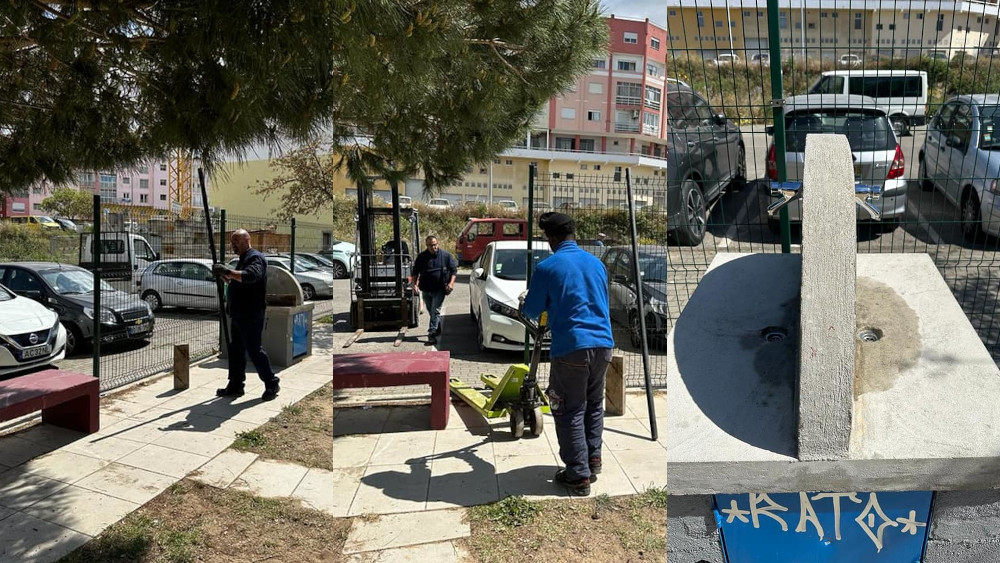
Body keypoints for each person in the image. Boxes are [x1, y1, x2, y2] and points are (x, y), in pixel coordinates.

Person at [521, 212, 614, 497]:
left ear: (551, 238)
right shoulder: (597, 264)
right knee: (593, 404)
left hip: (572, 348)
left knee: (569, 408)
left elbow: (532, 310)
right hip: (603, 345)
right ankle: (593, 459)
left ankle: (577, 474)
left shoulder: (548, 267)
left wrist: (528, 300)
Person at [213, 229, 281, 401]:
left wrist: (228, 271)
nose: (232, 244)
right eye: (231, 241)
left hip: (250, 315)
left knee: (254, 350)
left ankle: (272, 383)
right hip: (238, 314)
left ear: (246, 240)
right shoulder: (243, 259)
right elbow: (237, 282)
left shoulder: (255, 257)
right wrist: (223, 275)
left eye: (235, 241)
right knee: (236, 350)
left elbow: (251, 276)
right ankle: (236, 385)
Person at [409, 235, 457, 344]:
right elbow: (415, 272)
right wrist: (414, 285)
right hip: (426, 289)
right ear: (427, 246)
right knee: (431, 311)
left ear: (437, 244)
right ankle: (437, 326)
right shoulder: (421, 257)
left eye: (435, 244)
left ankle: (432, 333)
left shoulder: (445, 256)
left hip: (440, 289)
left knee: (435, 311)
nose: (433, 247)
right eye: (430, 245)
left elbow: (454, 271)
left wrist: (451, 284)